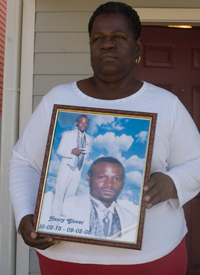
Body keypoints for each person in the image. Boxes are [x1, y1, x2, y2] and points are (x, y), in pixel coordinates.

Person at [9, 2, 200, 274]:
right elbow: (24, 162)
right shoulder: (58, 99)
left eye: (118, 37)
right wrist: (25, 213)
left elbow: (196, 161)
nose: (107, 44)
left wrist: (173, 183)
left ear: (137, 48)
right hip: (67, 257)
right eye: (98, 38)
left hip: (153, 258)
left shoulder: (165, 104)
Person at [61, 157, 137, 241]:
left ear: (123, 182)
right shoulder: (65, 206)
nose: (109, 184)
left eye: (116, 179)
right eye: (102, 177)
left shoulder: (132, 220)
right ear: (89, 177)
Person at [52, 115, 92, 216]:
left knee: (71, 192)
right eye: (81, 122)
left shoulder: (88, 139)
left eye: (85, 122)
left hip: (78, 170)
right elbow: (60, 151)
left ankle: (64, 213)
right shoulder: (68, 134)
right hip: (66, 168)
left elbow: (86, 153)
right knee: (60, 191)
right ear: (77, 123)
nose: (83, 124)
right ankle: (55, 215)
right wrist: (71, 152)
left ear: (87, 124)